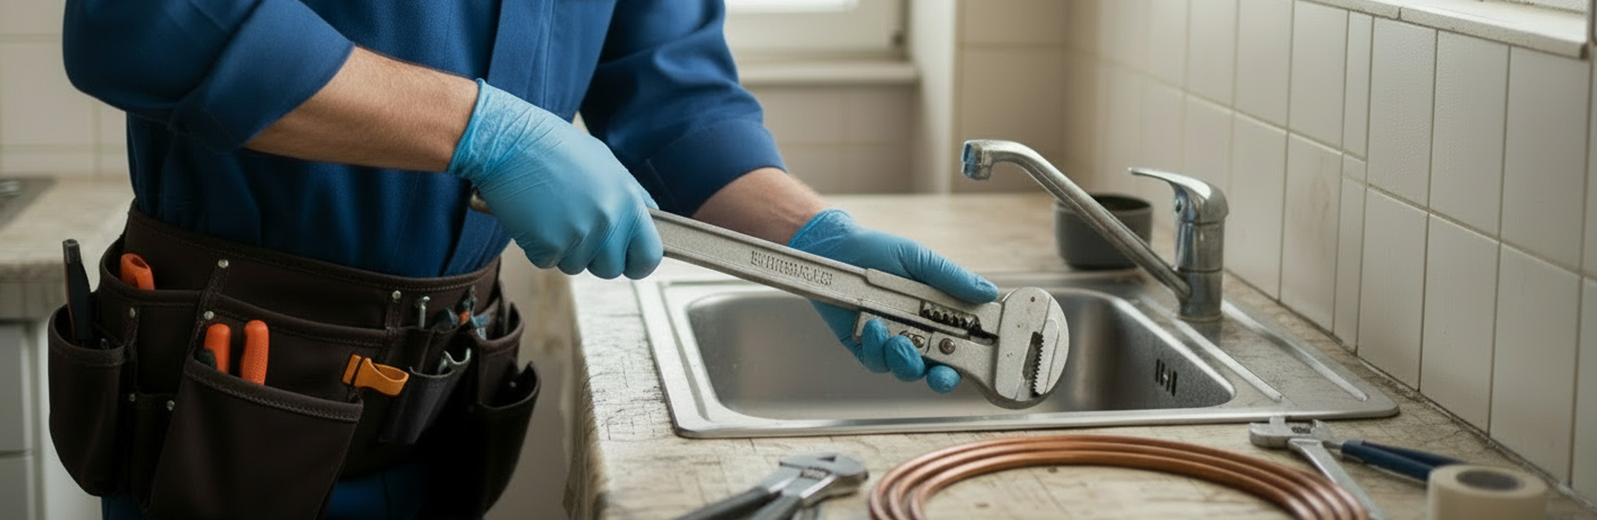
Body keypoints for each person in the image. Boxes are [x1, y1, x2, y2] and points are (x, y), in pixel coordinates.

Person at [56, 1, 998, 519]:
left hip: (438, 410)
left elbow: (673, 100)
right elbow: (140, 22)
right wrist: (480, 128)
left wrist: (816, 246)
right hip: (233, 421)